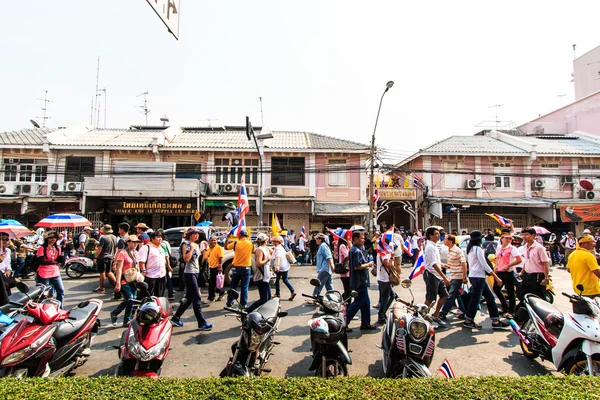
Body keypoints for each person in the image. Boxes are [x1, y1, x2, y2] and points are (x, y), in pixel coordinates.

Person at [463, 230, 509, 330]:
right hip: (478, 277)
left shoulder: (470, 249)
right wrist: (496, 277)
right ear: (479, 239)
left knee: (490, 297)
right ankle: (468, 320)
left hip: (476, 276)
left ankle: (495, 320)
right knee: (476, 300)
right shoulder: (477, 249)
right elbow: (484, 265)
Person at [171, 228, 212, 331]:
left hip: (195, 272)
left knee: (189, 298)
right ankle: (201, 323)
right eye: (194, 234)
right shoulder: (186, 244)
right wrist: (192, 249)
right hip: (189, 274)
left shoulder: (196, 245)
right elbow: (186, 259)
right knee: (197, 298)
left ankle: (175, 318)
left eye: (197, 234)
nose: (196, 236)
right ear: (189, 235)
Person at [345, 230, 376, 331]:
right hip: (359, 281)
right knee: (358, 302)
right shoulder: (356, 251)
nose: (363, 240)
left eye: (363, 238)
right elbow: (357, 266)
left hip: (361, 280)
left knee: (366, 303)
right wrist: (369, 264)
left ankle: (365, 323)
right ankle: (344, 323)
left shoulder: (355, 249)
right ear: (355, 239)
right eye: (361, 238)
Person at [422, 227, 450, 326]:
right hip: (432, 274)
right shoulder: (429, 247)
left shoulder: (434, 246)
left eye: (439, 234)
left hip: (437, 274)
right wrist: (445, 277)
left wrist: (442, 265)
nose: (438, 236)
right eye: (436, 234)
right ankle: (421, 316)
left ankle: (435, 315)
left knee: (445, 295)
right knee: (430, 297)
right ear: (430, 236)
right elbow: (433, 264)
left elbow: (435, 261)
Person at [110, 235, 141, 326]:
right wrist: (118, 283)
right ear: (128, 242)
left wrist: (139, 278)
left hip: (134, 280)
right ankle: (116, 313)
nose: (135, 244)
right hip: (124, 280)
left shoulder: (136, 253)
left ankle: (125, 319)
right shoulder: (122, 253)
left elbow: (137, 267)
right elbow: (119, 269)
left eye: (136, 242)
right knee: (130, 299)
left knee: (132, 300)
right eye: (133, 242)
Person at [492, 232, 522, 318]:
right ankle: (504, 306)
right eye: (506, 238)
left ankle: (511, 311)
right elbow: (497, 257)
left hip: (509, 272)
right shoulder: (498, 248)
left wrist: (508, 265)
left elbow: (519, 259)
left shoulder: (512, 248)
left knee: (510, 292)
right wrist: (496, 266)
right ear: (501, 238)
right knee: (496, 289)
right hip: (500, 271)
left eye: (510, 238)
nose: (509, 240)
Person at [439, 235, 467, 320]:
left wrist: (464, 276)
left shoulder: (458, 251)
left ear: (450, 241)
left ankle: (443, 312)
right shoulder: (449, 250)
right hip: (451, 275)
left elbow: (464, 263)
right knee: (458, 295)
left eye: (446, 239)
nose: (444, 240)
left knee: (451, 295)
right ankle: (463, 310)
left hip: (458, 276)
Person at [225, 230, 254, 309]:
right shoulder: (251, 243)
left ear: (240, 235)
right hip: (246, 268)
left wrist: (227, 239)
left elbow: (226, 247)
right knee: (244, 287)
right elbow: (254, 251)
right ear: (247, 236)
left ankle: (229, 302)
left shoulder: (235, 243)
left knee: (233, 286)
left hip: (236, 267)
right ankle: (243, 304)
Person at [35, 231, 65, 306]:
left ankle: (60, 307)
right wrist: (53, 262)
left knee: (60, 290)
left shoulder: (57, 248)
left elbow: (60, 260)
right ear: (47, 238)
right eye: (51, 237)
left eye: (55, 237)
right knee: (42, 293)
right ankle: (40, 308)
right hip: (44, 272)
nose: (53, 239)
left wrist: (63, 249)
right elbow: (41, 261)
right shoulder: (42, 248)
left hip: (55, 272)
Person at [520, 227, 550, 300]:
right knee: (524, 296)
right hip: (527, 275)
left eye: (526, 234)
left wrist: (546, 278)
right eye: (523, 235)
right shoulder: (525, 247)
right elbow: (526, 261)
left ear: (533, 235)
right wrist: (522, 272)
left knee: (538, 297)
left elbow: (545, 263)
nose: (524, 237)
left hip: (537, 276)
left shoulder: (539, 248)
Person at [376, 237, 401, 324]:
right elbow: (388, 265)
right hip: (385, 279)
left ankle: (382, 313)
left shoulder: (380, 252)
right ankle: (381, 315)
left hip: (381, 277)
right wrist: (392, 258)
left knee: (391, 296)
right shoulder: (385, 253)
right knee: (385, 298)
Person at [246, 234, 272, 313]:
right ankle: (247, 311)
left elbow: (272, 251)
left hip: (265, 276)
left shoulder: (264, 248)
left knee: (268, 298)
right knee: (264, 299)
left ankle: (265, 314)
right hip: (261, 277)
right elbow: (258, 263)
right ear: (265, 240)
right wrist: (267, 260)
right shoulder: (260, 250)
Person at [138, 230, 168, 297]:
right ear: (152, 238)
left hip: (161, 275)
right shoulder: (146, 248)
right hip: (150, 276)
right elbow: (141, 262)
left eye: (161, 237)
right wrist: (143, 271)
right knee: (148, 296)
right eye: (157, 237)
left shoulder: (161, 248)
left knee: (159, 296)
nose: (160, 239)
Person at [94, 224, 118, 294]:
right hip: (110, 256)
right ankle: (117, 283)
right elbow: (115, 248)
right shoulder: (114, 237)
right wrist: (114, 256)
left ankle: (101, 288)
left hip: (103, 257)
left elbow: (100, 248)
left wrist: (95, 257)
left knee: (102, 273)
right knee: (109, 271)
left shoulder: (103, 237)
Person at [272, 235, 296, 300]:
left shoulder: (278, 248)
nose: (273, 243)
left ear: (276, 242)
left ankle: (277, 293)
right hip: (285, 266)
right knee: (285, 280)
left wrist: (277, 266)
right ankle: (292, 291)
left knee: (277, 280)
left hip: (280, 267)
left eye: (273, 241)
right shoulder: (281, 247)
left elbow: (278, 257)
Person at [311, 233, 334, 298]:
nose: (316, 240)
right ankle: (332, 298)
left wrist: (332, 266)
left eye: (317, 239)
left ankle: (315, 296)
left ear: (320, 239)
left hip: (324, 269)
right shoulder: (322, 246)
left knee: (318, 283)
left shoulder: (323, 246)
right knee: (329, 286)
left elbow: (328, 257)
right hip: (326, 269)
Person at [156, 228, 176, 301]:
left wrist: (168, 265)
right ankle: (170, 294)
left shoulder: (162, 244)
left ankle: (168, 294)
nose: (159, 238)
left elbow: (166, 255)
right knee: (167, 278)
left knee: (165, 279)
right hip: (165, 263)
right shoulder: (166, 242)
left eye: (159, 236)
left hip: (163, 264)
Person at [206, 236, 225, 301]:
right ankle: (221, 293)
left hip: (216, 267)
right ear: (209, 241)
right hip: (211, 267)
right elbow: (206, 257)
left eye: (214, 240)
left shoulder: (219, 248)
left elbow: (220, 258)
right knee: (214, 283)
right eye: (212, 240)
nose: (213, 241)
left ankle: (211, 297)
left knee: (214, 283)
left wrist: (220, 266)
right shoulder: (209, 248)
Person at [337, 237, 351, 304]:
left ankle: (344, 299)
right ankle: (346, 304)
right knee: (348, 290)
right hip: (345, 272)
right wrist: (350, 246)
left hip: (348, 271)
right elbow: (347, 256)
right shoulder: (342, 246)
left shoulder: (346, 246)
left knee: (348, 290)